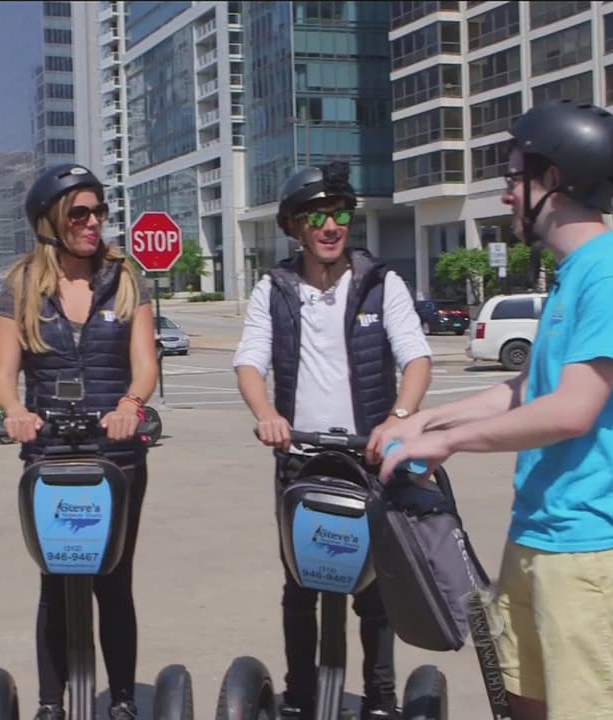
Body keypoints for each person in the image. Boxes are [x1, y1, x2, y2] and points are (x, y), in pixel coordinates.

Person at [378, 100, 613, 720]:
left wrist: (449, 444)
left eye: (515, 177)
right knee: (522, 703)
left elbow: (571, 410)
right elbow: (527, 390)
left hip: (588, 551)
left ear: (554, 181)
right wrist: (426, 419)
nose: (507, 194)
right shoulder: (573, 274)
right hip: (539, 535)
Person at [233, 160, 433, 720]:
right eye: (316, 215)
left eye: (340, 213)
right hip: (300, 458)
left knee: (375, 591)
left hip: (369, 459)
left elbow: (415, 357)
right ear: (295, 226)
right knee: (301, 587)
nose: (330, 225)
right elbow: (250, 362)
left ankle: (381, 701)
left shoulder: (379, 283)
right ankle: (300, 698)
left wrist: (397, 417)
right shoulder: (274, 289)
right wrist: (267, 412)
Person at [0, 163, 158, 720]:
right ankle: (49, 705)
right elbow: (3, 373)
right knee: (56, 583)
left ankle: (125, 701)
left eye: (99, 211)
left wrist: (130, 407)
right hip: (50, 452)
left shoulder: (126, 277)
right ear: (50, 221)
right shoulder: (20, 287)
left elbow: (144, 365)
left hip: (118, 454)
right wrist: (14, 412)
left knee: (114, 581)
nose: (93, 222)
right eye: (79, 213)